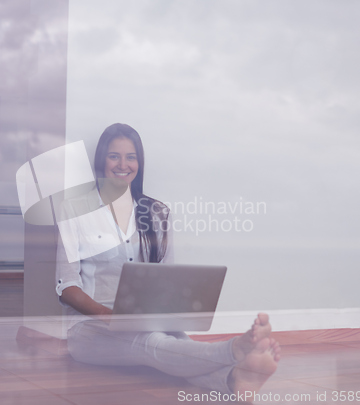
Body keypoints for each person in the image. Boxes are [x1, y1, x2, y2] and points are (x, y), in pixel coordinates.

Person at [55, 123, 280, 397]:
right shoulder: (74, 211)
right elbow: (66, 286)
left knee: (171, 346)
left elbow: (167, 279)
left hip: (146, 321)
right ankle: (234, 350)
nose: (123, 164)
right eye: (114, 156)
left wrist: (165, 312)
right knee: (153, 344)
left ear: (140, 163)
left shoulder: (157, 212)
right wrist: (110, 317)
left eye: (131, 156)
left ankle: (236, 381)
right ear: (101, 159)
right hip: (90, 329)